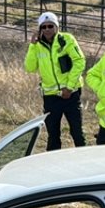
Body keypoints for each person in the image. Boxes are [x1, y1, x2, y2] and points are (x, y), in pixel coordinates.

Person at [25, 12, 86, 149]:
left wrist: (69, 87)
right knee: (53, 135)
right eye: (44, 27)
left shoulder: (67, 40)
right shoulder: (37, 46)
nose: (47, 30)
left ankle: (85, 162)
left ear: (56, 27)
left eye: (50, 26)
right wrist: (32, 46)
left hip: (71, 93)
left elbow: (79, 61)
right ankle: (52, 165)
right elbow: (30, 67)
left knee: (77, 133)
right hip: (51, 96)